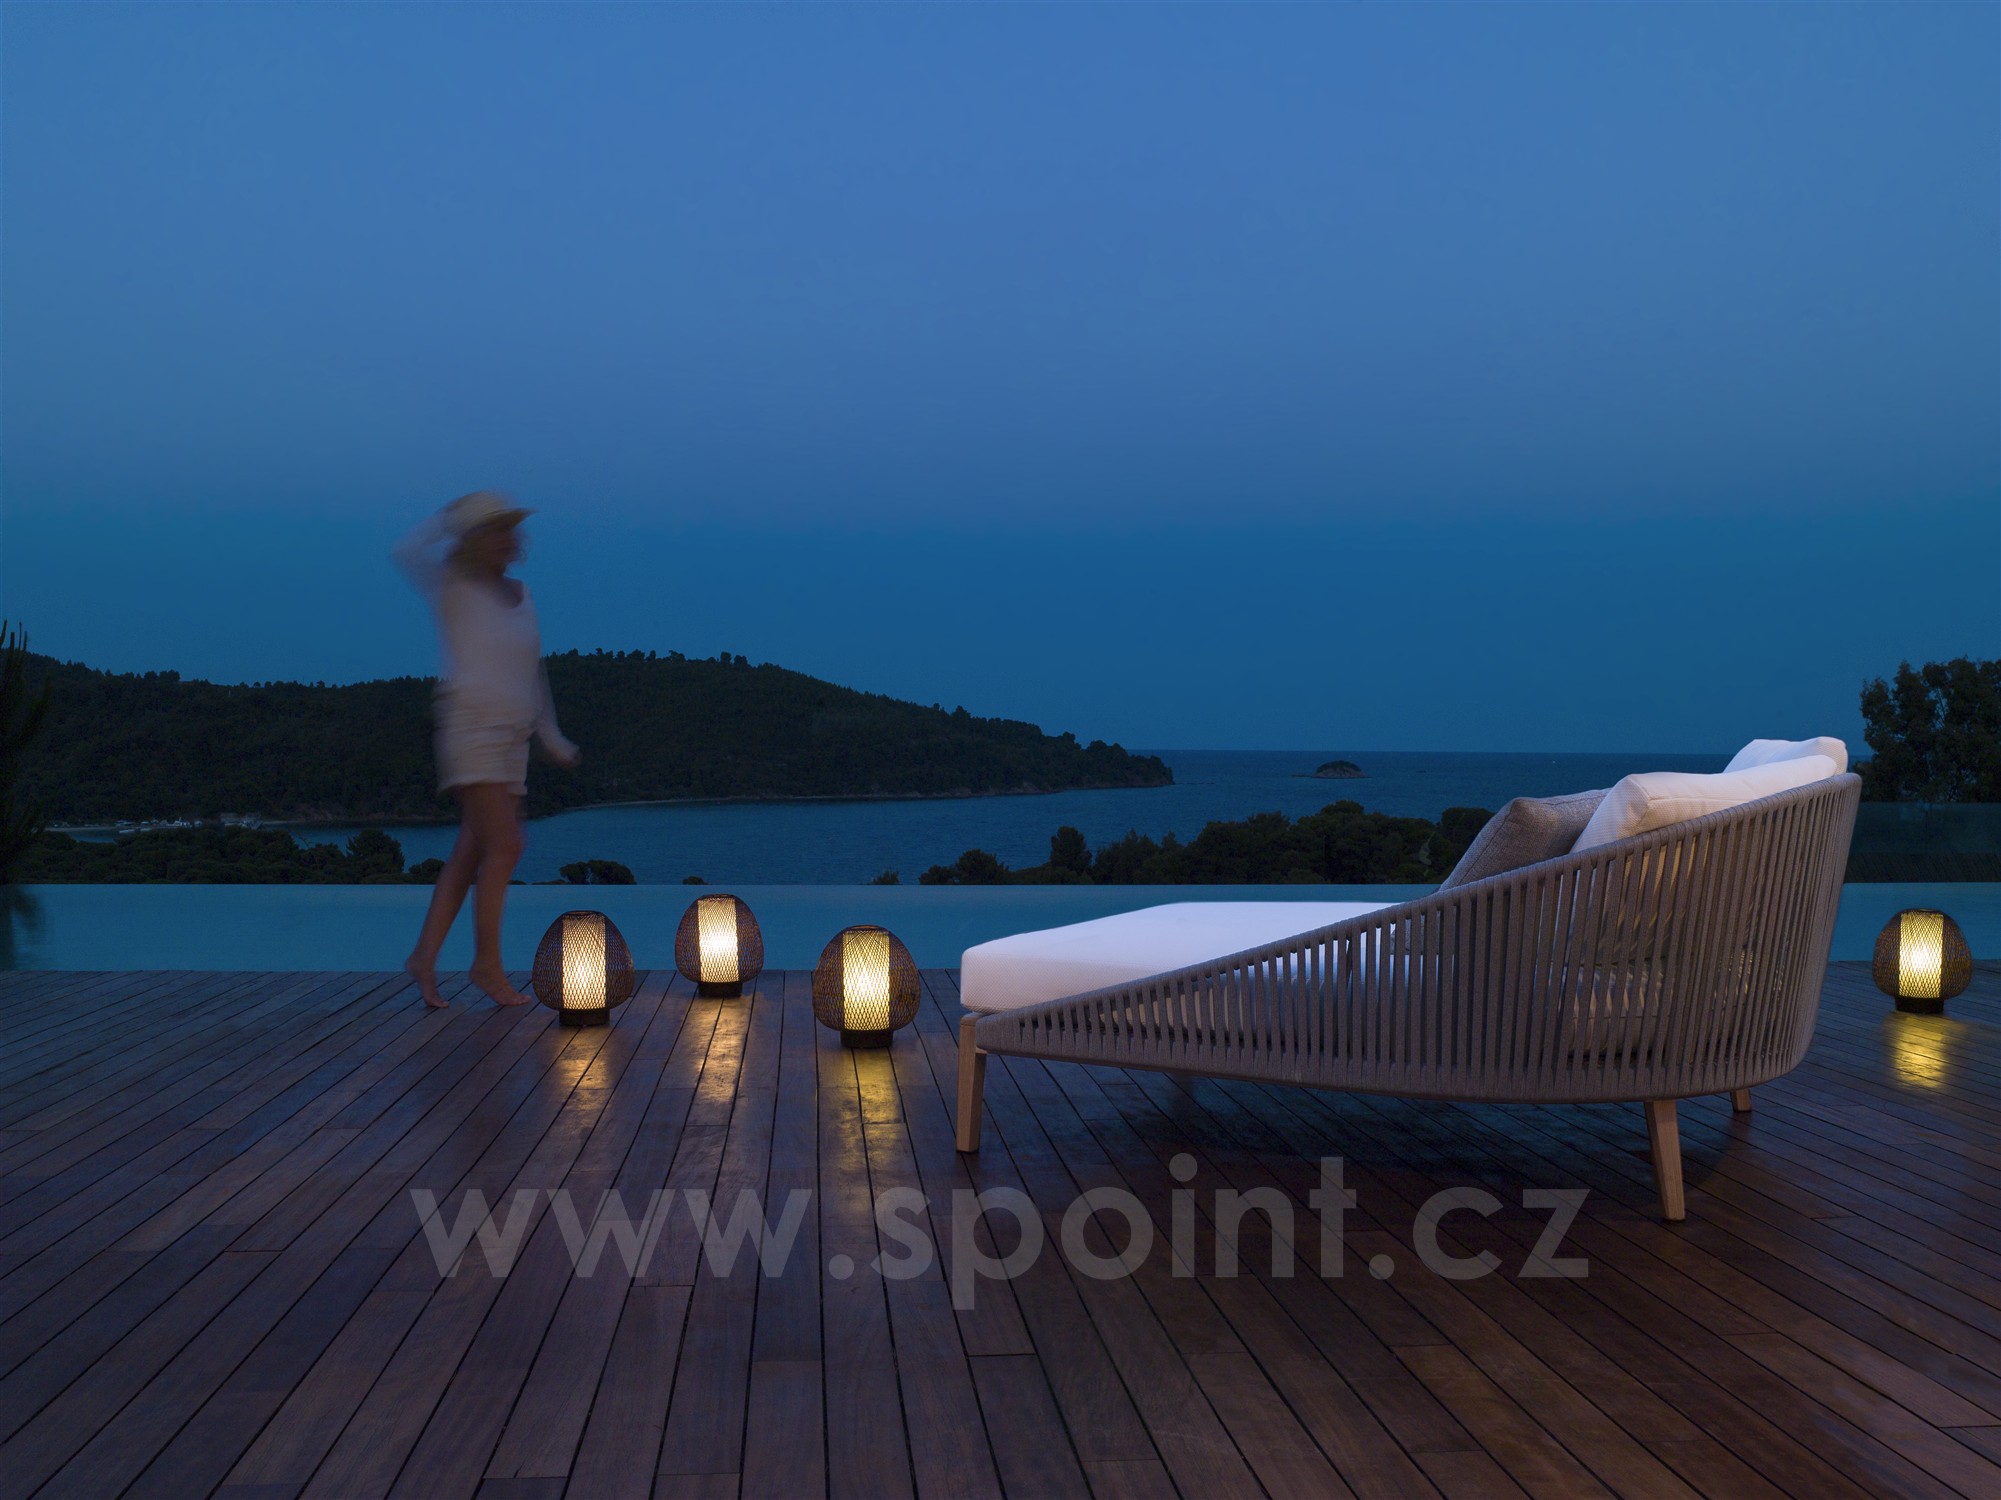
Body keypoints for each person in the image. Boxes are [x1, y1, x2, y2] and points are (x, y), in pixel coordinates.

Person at [394, 491, 580, 1008]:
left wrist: (551, 736)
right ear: (473, 538)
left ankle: (424, 957)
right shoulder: (454, 587)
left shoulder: (522, 593)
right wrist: (447, 517)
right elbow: (405, 552)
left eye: (508, 527)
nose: (506, 537)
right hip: (471, 730)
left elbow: (532, 673)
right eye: (494, 528)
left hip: (513, 737)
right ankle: (487, 966)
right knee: (507, 845)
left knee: (472, 851)